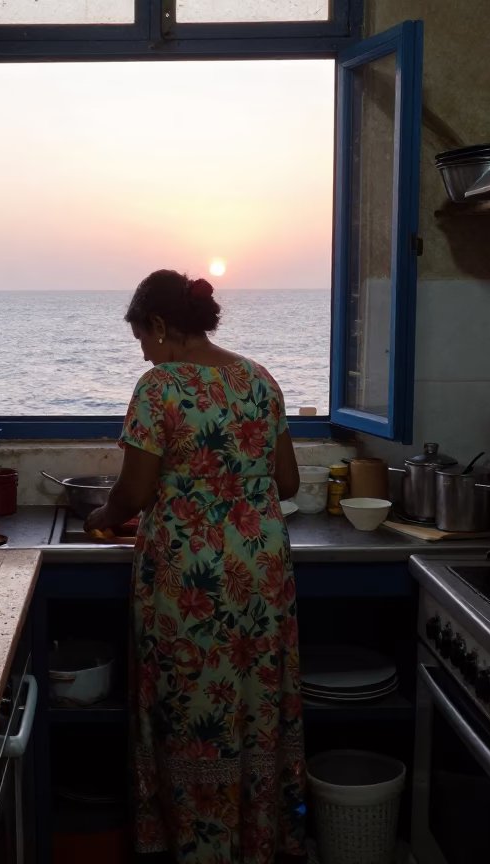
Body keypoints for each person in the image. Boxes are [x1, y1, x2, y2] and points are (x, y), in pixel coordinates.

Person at [85, 269, 306, 864]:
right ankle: (257, 840)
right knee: (255, 695)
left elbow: (134, 493)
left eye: (142, 338)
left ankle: (195, 843)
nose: (143, 353)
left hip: (191, 575)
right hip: (260, 569)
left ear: (160, 325)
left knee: (189, 698)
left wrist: (101, 515)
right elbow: (288, 483)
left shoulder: (159, 387)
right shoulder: (260, 379)